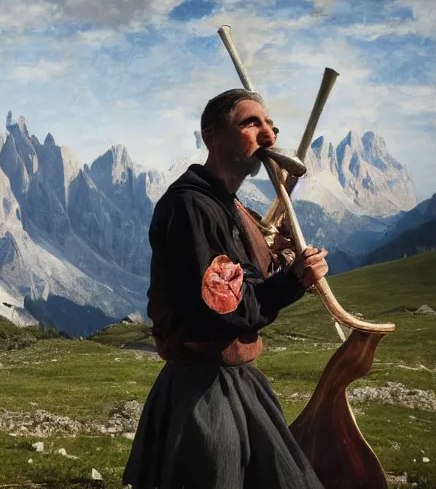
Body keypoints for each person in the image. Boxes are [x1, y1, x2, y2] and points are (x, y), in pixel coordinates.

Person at [122, 89, 329, 489]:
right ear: (212, 137)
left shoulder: (230, 207)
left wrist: (286, 264)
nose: (268, 136)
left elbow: (249, 278)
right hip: (204, 393)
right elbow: (223, 308)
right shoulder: (191, 207)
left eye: (271, 125)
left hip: (237, 379)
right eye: (252, 123)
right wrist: (293, 281)